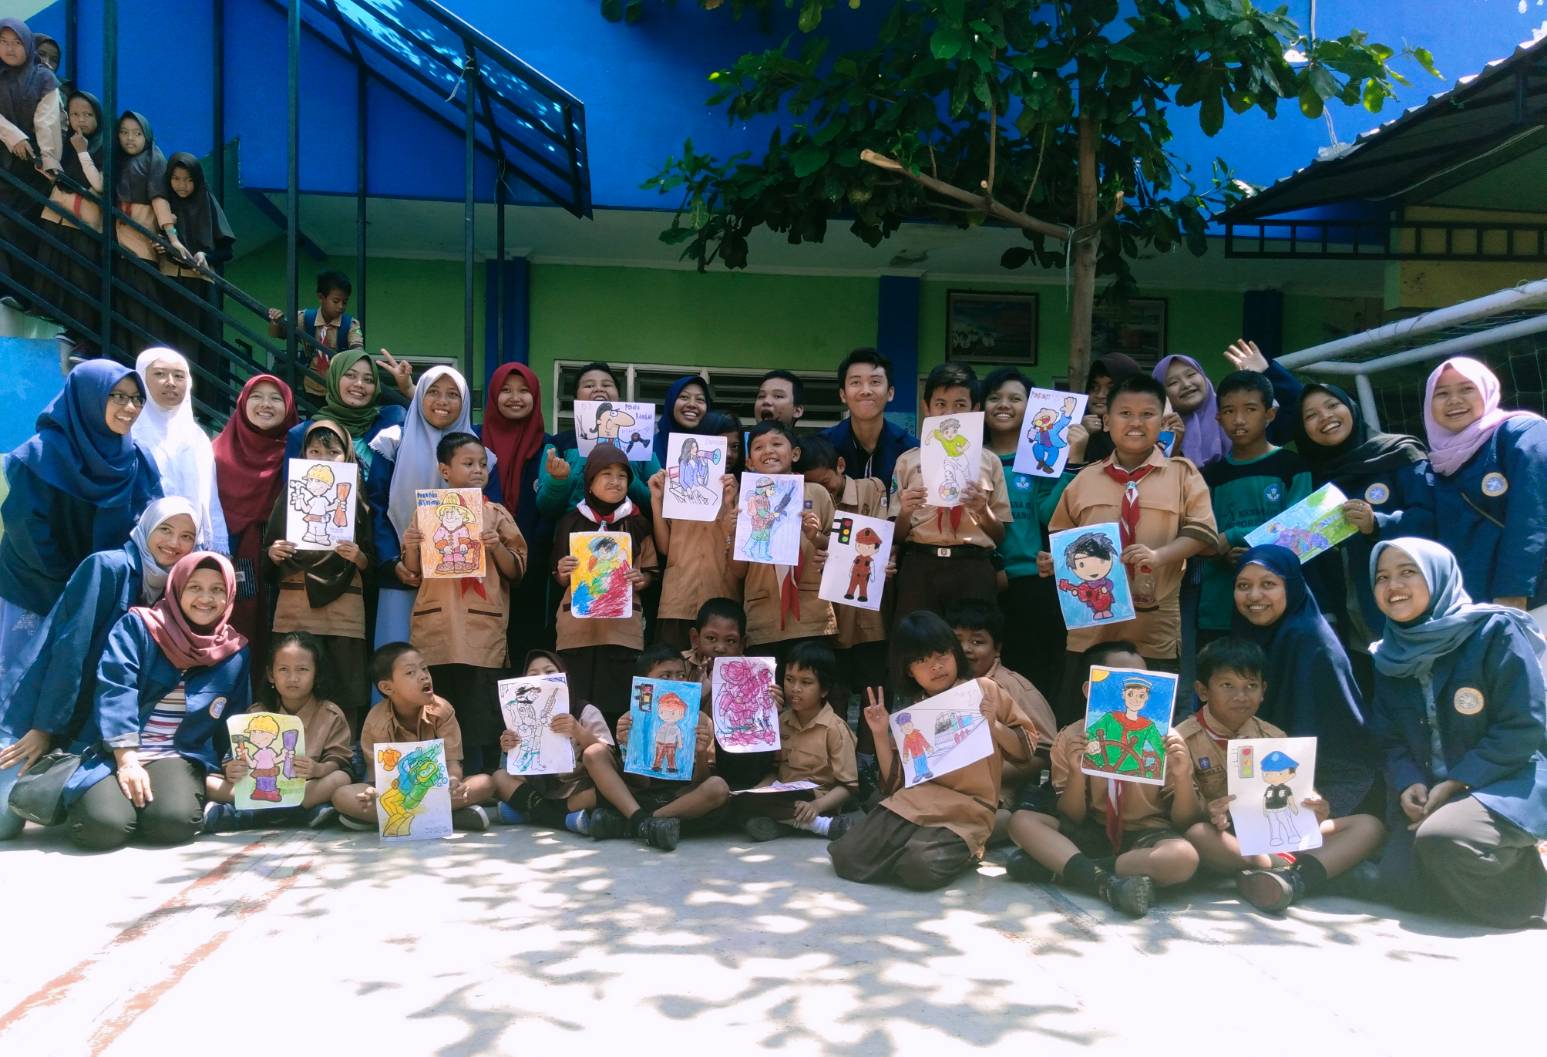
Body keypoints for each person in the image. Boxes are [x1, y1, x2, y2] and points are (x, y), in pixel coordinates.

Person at [1368, 538, 1547, 929]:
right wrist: (1407, 783)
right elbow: (1388, 739)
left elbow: (1523, 726)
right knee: (1400, 885)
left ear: (1438, 576)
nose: (1393, 585)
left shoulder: (1493, 631)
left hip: (1507, 779)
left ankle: (1531, 898)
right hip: (1434, 788)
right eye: (1382, 577)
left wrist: (1455, 784)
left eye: (1408, 572)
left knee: (1444, 841)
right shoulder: (1389, 653)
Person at [0, 497, 197, 840]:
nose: (174, 543)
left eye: (187, 536)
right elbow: (68, 652)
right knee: (4, 822)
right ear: (146, 527)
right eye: (165, 529)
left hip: (93, 715)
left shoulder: (176, 587)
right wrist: (43, 729)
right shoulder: (107, 567)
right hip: (40, 705)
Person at [1040, 374, 1219, 721]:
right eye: (1125, 413)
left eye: (1147, 414)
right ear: (1107, 422)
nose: (1136, 423)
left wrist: (1158, 556)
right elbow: (1062, 535)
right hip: (1092, 623)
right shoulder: (1085, 479)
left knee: (1146, 724)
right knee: (1083, 717)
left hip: (1152, 620)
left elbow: (1203, 534)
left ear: (1162, 421)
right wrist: (1053, 560)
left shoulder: (1183, 475)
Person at [1178, 638, 1386, 913]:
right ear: (1203, 691)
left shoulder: (1273, 736)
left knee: (1369, 825)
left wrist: (1314, 808)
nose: (1241, 696)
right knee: (1196, 834)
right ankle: (1296, 872)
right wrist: (1210, 813)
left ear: (1263, 691)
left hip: (1276, 834)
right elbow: (1179, 817)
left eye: (1251, 686)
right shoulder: (1184, 739)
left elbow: (1297, 796)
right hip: (1227, 838)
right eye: (1227, 685)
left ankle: (1290, 877)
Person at [830, 612, 1035, 890]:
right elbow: (894, 783)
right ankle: (908, 847)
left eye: (941, 655)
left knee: (918, 868)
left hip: (969, 807)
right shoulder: (912, 714)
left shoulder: (983, 690)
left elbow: (1025, 748)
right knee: (846, 857)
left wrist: (994, 725)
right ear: (908, 670)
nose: (935, 666)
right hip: (915, 801)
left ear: (954, 653)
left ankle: (967, 851)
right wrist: (879, 733)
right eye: (921, 660)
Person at [62, 552, 249, 851]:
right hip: (117, 750)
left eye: (217, 590)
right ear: (176, 588)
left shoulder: (234, 652)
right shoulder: (138, 627)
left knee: (173, 823)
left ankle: (148, 811)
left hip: (177, 753)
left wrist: (230, 762)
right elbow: (115, 689)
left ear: (229, 595)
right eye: (194, 587)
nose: (206, 598)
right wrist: (127, 760)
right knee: (104, 828)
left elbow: (234, 719)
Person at [1004, 641, 1199, 917]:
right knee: (1021, 821)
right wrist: (1077, 773)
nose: (1131, 690)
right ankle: (1105, 882)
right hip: (1092, 828)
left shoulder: (1167, 739)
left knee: (1183, 858)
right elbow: (1072, 815)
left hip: (1147, 835)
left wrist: (1182, 776)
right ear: (1090, 689)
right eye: (1119, 681)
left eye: (1141, 682)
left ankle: (1071, 867)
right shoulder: (1072, 736)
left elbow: (1186, 821)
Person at [0, 361, 161, 664]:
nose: (130, 407)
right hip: (36, 588)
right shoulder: (39, 455)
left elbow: (150, 524)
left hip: (104, 595)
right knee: (19, 685)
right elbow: (27, 530)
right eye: (117, 396)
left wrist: (111, 582)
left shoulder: (137, 458)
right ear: (88, 396)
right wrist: (77, 586)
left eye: (137, 398)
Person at [401, 432, 526, 773]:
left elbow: (517, 569)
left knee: (479, 708)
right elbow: (412, 573)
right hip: (437, 626)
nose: (477, 470)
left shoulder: (494, 513)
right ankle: (442, 781)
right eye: (468, 463)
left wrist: (496, 546)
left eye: (483, 464)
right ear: (444, 470)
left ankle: (480, 780)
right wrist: (412, 545)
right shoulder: (425, 513)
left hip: (480, 629)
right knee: (439, 704)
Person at [1232, 545, 1377, 816]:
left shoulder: (1308, 638)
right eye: (1243, 585)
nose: (1254, 596)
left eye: (1268, 584)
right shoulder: (1248, 633)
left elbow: (1313, 728)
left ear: (1292, 587)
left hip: (1322, 774)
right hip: (1267, 768)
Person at [1292, 382, 1431, 641]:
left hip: (1413, 603)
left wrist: (1377, 524)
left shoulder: (1400, 453)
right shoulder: (1313, 479)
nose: (1325, 417)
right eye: (1310, 415)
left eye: (1333, 405)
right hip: (1351, 617)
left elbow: (1432, 519)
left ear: (1351, 407)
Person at [264, 419, 374, 728]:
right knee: (293, 673)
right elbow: (267, 552)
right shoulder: (292, 494)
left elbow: (372, 561)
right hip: (297, 601)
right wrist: (274, 552)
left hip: (343, 607)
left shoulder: (357, 498)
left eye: (333, 453)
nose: (323, 459)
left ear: (348, 456)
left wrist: (359, 557)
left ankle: (341, 753)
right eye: (314, 451)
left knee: (344, 680)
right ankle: (288, 748)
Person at [370, 365, 485, 649]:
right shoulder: (392, 441)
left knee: (447, 653)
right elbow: (376, 505)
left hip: (456, 576)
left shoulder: (479, 454)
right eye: (432, 392)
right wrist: (392, 562)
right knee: (397, 652)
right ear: (419, 395)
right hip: (401, 572)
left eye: (452, 394)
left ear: (466, 402)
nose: (442, 401)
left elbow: (486, 509)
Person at [1420, 356, 1547, 613]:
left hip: (1531, 599)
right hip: (1477, 607)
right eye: (1441, 393)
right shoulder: (1437, 463)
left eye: (1467, 389)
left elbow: (1532, 517)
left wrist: (1513, 592)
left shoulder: (1522, 433)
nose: (1454, 400)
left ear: (1488, 390)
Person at [332, 642, 498, 832]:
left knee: (486, 782)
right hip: (396, 793)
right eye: (410, 673)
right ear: (387, 687)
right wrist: (371, 793)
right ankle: (451, 818)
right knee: (341, 795)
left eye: (424, 668)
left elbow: (453, 763)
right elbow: (376, 779)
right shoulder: (376, 722)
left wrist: (453, 780)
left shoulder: (442, 710)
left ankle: (385, 820)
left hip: (436, 789)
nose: (423, 675)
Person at [1199, 371, 1312, 643]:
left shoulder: (1292, 466)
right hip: (1220, 611)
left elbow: (1302, 533)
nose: (1239, 420)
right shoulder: (1210, 475)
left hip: (1279, 605)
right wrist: (1219, 553)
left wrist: (1238, 538)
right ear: (1218, 418)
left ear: (1270, 414)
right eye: (1228, 411)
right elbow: (1202, 539)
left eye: (1250, 409)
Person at [891, 364, 1009, 622]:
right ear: (926, 408)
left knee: (972, 647)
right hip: (920, 565)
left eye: (960, 404)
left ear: (975, 409)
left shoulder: (989, 462)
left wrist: (982, 509)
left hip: (973, 566)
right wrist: (906, 511)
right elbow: (896, 536)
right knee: (917, 647)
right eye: (941, 404)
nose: (949, 412)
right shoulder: (907, 462)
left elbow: (1000, 535)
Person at [583, 645, 731, 851]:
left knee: (719, 788)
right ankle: (647, 824)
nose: (676, 682)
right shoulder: (632, 718)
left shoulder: (700, 721)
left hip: (682, 800)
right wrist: (629, 747)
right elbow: (640, 782)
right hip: (640, 797)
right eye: (666, 675)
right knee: (593, 754)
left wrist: (699, 751)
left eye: (681, 675)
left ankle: (637, 824)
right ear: (646, 683)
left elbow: (702, 781)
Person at [203, 631, 356, 831]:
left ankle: (248, 816)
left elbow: (339, 759)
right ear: (270, 674)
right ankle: (301, 814)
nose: (293, 678)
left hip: (305, 788)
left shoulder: (330, 714)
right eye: (283, 669)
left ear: (317, 674)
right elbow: (234, 756)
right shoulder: (256, 713)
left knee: (341, 779)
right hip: (258, 787)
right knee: (208, 783)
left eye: (302, 669)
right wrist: (232, 769)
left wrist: (319, 769)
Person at [553, 446, 658, 721]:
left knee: (618, 704)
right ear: (589, 482)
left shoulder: (637, 524)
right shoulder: (570, 521)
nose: (615, 481)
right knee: (578, 705)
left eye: (622, 476)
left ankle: (613, 761)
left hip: (620, 631)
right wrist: (564, 570)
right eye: (606, 474)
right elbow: (558, 576)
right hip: (578, 630)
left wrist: (641, 579)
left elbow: (650, 571)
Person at [983, 367, 1069, 693]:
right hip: (982, 580)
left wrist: (1068, 464)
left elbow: (1048, 514)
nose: (1004, 405)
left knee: (1034, 671)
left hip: (1034, 580)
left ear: (1031, 407)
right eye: (994, 397)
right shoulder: (969, 456)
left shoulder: (1042, 458)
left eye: (1015, 398)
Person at [798, 432, 889, 716]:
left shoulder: (871, 489)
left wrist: (825, 543)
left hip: (867, 608)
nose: (822, 494)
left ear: (840, 465)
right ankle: (835, 749)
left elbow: (878, 542)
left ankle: (867, 756)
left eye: (825, 484)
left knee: (873, 688)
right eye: (814, 488)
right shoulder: (802, 500)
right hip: (827, 610)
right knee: (833, 686)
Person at [729, 421, 835, 662]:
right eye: (758, 447)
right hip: (762, 618)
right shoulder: (744, 499)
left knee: (811, 690)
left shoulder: (816, 493)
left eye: (777, 444)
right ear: (748, 461)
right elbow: (737, 571)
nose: (768, 451)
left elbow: (838, 552)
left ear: (795, 453)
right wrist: (735, 534)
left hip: (812, 616)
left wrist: (815, 537)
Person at [213, 374, 297, 665]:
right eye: (256, 396)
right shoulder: (218, 451)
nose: (266, 404)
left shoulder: (296, 452)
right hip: (235, 552)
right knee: (238, 623)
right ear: (242, 401)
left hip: (285, 556)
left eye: (275, 398)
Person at [736, 640, 858, 841]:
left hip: (819, 800)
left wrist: (816, 806)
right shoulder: (782, 720)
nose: (795, 688)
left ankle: (822, 825)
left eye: (806, 682)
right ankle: (794, 825)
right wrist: (758, 789)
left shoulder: (834, 729)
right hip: (783, 793)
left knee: (750, 807)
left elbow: (848, 787)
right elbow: (775, 769)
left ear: (824, 690)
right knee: (741, 800)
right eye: (790, 679)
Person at [492, 649, 612, 836]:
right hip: (536, 786)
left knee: (600, 794)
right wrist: (508, 746)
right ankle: (561, 820)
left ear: (565, 677)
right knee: (499, 778)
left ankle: (530, 814)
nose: (542, 678)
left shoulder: (584, 711)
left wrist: (578, 732)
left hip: (575, 788)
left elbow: (608, 755)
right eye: (533, 674)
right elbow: (514, 764)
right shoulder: (519, 712)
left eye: (549, 672)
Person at [482, 362, 553, 657]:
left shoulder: (549, 447)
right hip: (482, 558)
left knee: (529, 642)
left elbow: (552, 505)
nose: (515, 397)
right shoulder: (474, 440)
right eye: (506, 390)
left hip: (535, 562)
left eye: (524, 391)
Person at [156, 152, 234, 407]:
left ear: (197, 180)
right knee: (170, 342)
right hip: (168, 280)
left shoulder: (207, 202)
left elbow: (227, 250)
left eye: (187, 179)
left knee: (200, 345)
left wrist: (206, 254)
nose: (181, 185)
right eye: (176, 179)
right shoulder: (163, 204)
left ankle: (200, 405)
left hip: (200, 283)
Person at [649, 434, 739, 652]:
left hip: (723, 599)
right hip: (678, 600)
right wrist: (656, 499)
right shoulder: (674, 483)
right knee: (674, 675)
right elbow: (664, 548)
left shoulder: (742, 491)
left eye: (732, 446)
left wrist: (731, 502)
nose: (726, 453)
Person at [132, 348, 228, 553]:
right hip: (141, 543)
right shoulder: (130, 432)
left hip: (190, 544)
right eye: (159, 374)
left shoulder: (196, 437)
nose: (170, 382)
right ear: (141, 378)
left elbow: (209, 497)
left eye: (179, 375)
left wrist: (217, 545)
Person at [267, 270, 413, 404]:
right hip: (311, 385)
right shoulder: (305, 318)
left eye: (345, 302)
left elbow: (358, 350)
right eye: (336, 301)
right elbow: (279, 334)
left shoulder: (350, 325)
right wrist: (275, 321)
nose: (341, 307)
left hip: (339, 390)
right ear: (321, 297)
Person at [536, 362, 659, 518]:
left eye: (607, 385)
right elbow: (546, 509)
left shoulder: (640, 446)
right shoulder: (558, 445)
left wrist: (626, 477)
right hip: (574, 535)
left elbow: (657, 505)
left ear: (618, 397)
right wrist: (558, 480)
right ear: (576, 398)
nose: (599, 389)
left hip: (629, 533)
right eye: (588, 385)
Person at [110, 111, 187, 356]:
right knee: (120, 303)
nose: (129, 138)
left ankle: (146, 357)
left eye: (136, 133)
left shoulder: (154, 158)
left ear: (146, 135)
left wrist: (172, 237)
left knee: (142, 302)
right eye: (124, 132)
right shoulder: (115, 159)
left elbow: (159, 200)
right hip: (114, 237)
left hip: (140, 240)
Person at [35, 89, 104, 349]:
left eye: (87, 114)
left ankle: (81, 332)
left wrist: (83, 151)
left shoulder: (103, 146)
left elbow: (99, 185)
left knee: (81, 277)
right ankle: (55, 318)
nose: (81, 120)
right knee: (52, 263)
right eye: (75, 114)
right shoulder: (64, 141)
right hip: (57, 211)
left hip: (85, 220)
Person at [0, 19, 61, 298]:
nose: (10, 49)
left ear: (27, 44)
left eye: (16, 43)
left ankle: (22, 294)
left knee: (25, 230)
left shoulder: (43, 78)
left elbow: (48, 123)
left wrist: (48, 161)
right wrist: (15, 137)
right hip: (4, 162)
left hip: (29, 170)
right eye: (3, 42)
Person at [284, 347, 407, 470]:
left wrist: (409, 389)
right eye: (350, 375)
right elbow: (294, 486)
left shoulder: (391, 424)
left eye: (368, 379)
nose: (359, 384)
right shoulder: (302, 434)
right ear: (335, 379)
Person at [821, 348, 918, 493]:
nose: (866, 390)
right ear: (843, 395)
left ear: (890, 393)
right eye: (856, 382)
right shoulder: (823, 446)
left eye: (875, 382)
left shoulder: (912, 450)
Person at [1154, 354, 1230, 469]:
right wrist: (1168, 437)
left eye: (1191, 374)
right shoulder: (1157, 430)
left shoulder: (1230, 413)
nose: (1186, 384)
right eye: (1173, 383)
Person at [1074, 352, 1143, 466]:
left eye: (1111, 389)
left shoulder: (1143, 434)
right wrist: (1077, 442)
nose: (1100, 395)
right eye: (1094, 387)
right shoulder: (1072, 431)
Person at [653, 373, 715, 463]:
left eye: (700, 399)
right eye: (684, 397)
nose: (692, 404)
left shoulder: (716, 447)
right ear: (671, 402)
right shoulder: (648, 449)